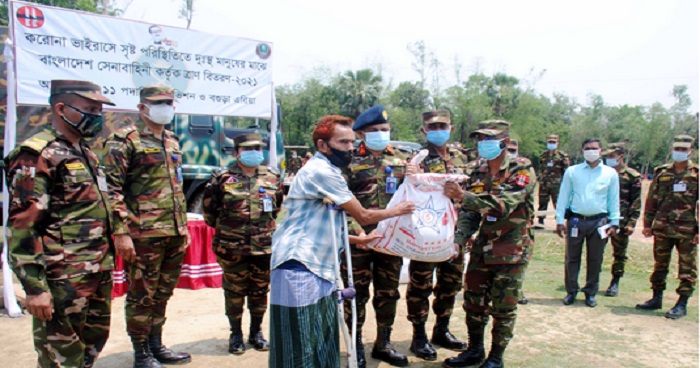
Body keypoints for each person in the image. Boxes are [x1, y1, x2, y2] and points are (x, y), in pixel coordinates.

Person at [268, 115, 415, 368]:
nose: (349, 147)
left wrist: (356, 239)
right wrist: (397, 210)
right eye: (343, 142)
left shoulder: (328, 170)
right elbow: (363, 214)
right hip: (299, 264)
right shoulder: (321, 171)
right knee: (298, 343)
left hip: (319, 266)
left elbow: (322, 224)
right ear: (323, 145)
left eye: (351, 142)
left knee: (320, 341)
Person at [4, 80, 115, 367]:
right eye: (90, 109)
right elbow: (22, 226)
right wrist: (34, 287)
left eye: (99, 110)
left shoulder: (86, 152)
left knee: (91, 347)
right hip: (61, 276)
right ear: (61, 108)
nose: (97, 116)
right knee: (59, 357)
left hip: (96, 270)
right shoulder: (37, 154)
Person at [103, 85, 191, 367]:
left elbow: (177, 187)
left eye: (169, 102)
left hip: (173, 232)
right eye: (159, 102)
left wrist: (184, 227)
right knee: (142, 295)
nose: (166, 106)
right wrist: (121, 232)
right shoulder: (123, 140)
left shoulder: (172, 140)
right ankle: (141, 353)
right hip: (143, 234)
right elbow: (112, 190)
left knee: (163, 291)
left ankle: (156, 344)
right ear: (142, 108)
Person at [444, 120, 536, 368]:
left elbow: (503, 204)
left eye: (488, 139)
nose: (483, 144)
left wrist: (464, 196)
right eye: (480, 139)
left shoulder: (522, 169)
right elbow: (470, 213)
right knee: (474, 303)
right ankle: (475, 350)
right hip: (481, 250)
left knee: (503, 308)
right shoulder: (478, 171)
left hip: (510, 251)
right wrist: (458, 239)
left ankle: (496, 357)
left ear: (504, 142)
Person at [341, 105, 418, 368]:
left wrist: (415, 179)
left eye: (384, 130)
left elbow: (411, 197)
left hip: (390, 239)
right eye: (374, 131)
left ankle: (383, 343)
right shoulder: (347, 161)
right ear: (361, 134)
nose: (380, 134)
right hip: (358, 241)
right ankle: (356, 344)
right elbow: (338, 200)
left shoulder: (402, 161)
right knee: (356, 294)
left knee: (388, 293)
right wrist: (356, 230)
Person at [201, 133, 284, 354]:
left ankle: (256, 332)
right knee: (234, 292)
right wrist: (229, 231)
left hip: (263, 247)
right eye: (248, 149)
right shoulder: (222, 177)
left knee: (259, 291)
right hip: (231, 247)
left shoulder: (273, 177)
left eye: (258, 149)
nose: (254, 153)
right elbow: (209, 212)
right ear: (236, 152)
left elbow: (276, 209)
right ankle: (235, 334)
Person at [406, 109, 468, 361]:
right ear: (424, 130)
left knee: (450, 284)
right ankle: (418, 336)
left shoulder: (462, 157)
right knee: (421, 284)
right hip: (427, 230)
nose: (437, 130)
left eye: (442, 125)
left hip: (455, 231)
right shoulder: (417, 158)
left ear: (451, 128)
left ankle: (441, 330)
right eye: (432, 127)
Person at [636, 135, 698, 319]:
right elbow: (651, 199)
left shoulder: (696, 173)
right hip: (662, 227)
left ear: (691, 152)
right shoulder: (661, 172)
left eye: (683, 150)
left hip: (687, 230)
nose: (679, 153)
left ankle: (682, 303)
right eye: (676, 149)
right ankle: (656, 297)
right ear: (672, 150)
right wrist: (647, 224)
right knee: (660, 264)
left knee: (687, 267)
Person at [555, 138, 620, 308]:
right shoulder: (572, 171)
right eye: (587, 148)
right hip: (576, 220)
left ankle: (590, 293)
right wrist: (560, 220)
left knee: (595, 259)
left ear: (601, 151)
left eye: (594, 148)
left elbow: (614, 199)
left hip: (599, 222)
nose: (590, 151)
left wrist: (614, 222)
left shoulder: (610, 173)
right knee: (572, 258)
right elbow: (563, 196)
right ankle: (571, 291)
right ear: (582, 151)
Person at [602, 142, 642, 297]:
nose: (609, 159)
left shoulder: (632, 176)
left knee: (619, 253)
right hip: (602, 221)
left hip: (622, 221)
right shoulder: (602, 173)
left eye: (612, 156)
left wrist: (632, 223)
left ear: (621, 156)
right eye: (607, 157)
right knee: (596, 252)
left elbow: (636, 202)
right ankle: (593, 281)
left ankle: (615, 282)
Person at [506, 139, 532, 305]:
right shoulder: (488, 169)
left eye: (513, 150)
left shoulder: (523, 170)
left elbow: (509, 201)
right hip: (495, 233)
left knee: (519, 263)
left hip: (519, 231)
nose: (510, 152)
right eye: (508, 149)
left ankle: (517, 291)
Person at [537, 134, 569, 227]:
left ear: (557, 143)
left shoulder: (562, 156)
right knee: (542, 202)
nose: (551, 144)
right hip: (544, 184)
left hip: (557, 185)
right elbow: (541, 168)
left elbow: (566, 171)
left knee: (558, 204)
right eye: (549, 142)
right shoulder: (543, 155)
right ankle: (540, 221)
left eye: (553, 142)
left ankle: (559, 223)